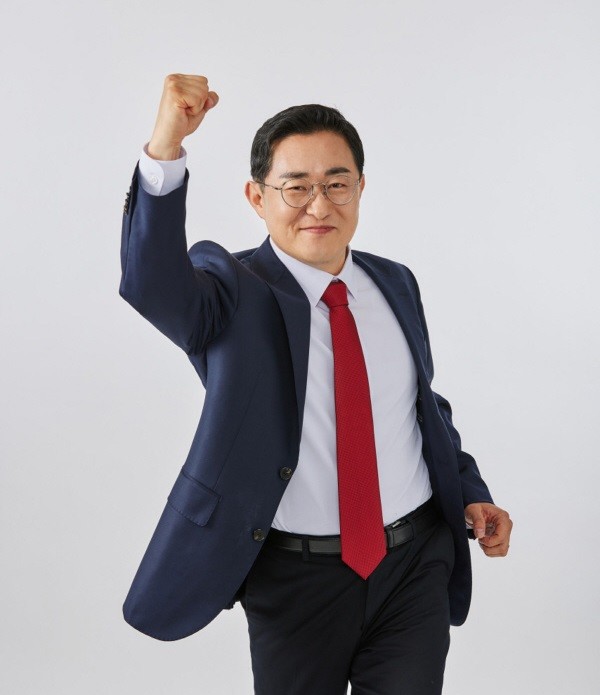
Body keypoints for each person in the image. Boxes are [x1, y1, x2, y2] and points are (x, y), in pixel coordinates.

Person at [119, 73, 513, 695]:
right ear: (256, 197)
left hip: (415, 565)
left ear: (361, 187)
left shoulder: (395, 282)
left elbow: (419, 407)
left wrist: (469, 491)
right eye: (296, 186)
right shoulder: (230, 292)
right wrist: (166, 147)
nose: (320, 206)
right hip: (294, 579)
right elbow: (152, 284)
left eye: (336, 183)